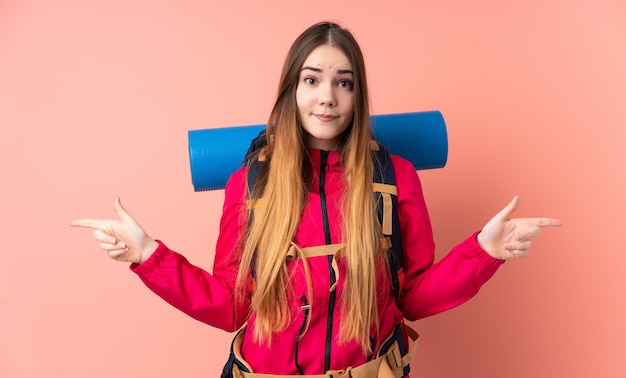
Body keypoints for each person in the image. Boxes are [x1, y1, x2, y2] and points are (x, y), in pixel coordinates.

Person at [70, 21, 562, 377]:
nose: (327, 97)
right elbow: (232, 307)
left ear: (357, 96)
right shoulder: (250, 185)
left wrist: (484, 252)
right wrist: (147, 256)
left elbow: (412, 298)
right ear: (292, 90)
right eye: (312, 80)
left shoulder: (396, 180)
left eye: (343, 83)